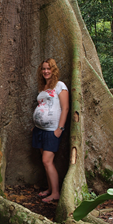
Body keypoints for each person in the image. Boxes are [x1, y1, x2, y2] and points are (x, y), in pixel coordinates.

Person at [32, 59, 69, 203]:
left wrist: (60, 128)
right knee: (45, 162)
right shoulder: (43, 87)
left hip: (52, 130)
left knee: (47, 161)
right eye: (43, 69)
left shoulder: (60, 86)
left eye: (48, 68)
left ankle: (56, 193)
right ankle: (49, 189)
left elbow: (65, 108)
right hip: (39, 129)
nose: (46, 71)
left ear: (53, 70)